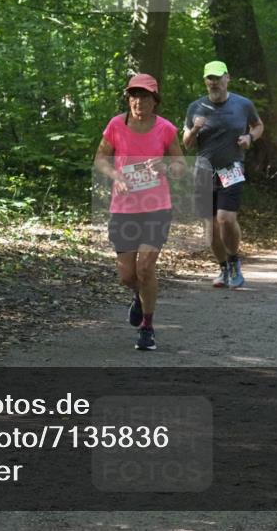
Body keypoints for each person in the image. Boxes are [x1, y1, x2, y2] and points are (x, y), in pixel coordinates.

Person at [95, 73, 187, 350]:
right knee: (127, 275)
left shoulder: (165, 129)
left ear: (154, 100)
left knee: (145, 267)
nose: (138, 102)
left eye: (144, 96)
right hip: (123, 208)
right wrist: (116, 176)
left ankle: (147, 327)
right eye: (134, 96)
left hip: (156, 207)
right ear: (128, 99)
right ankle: (139, 296)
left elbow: (181, 166)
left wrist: (166, 167)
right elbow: (100, 158)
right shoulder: (116, 125)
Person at [183, 61, 263, 289]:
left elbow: (258, 125)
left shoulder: (243, 104)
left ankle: (234, 261)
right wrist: (195, 129)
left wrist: (250, 137)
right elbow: (187, 144)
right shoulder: (195, 107)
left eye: (218, 78)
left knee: (226, 219)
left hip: (231, 168)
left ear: (227, 78)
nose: (214, 82)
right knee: (211, 228)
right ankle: (223, 268)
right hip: (204, 171)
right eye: (210, 78)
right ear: (205, 81)